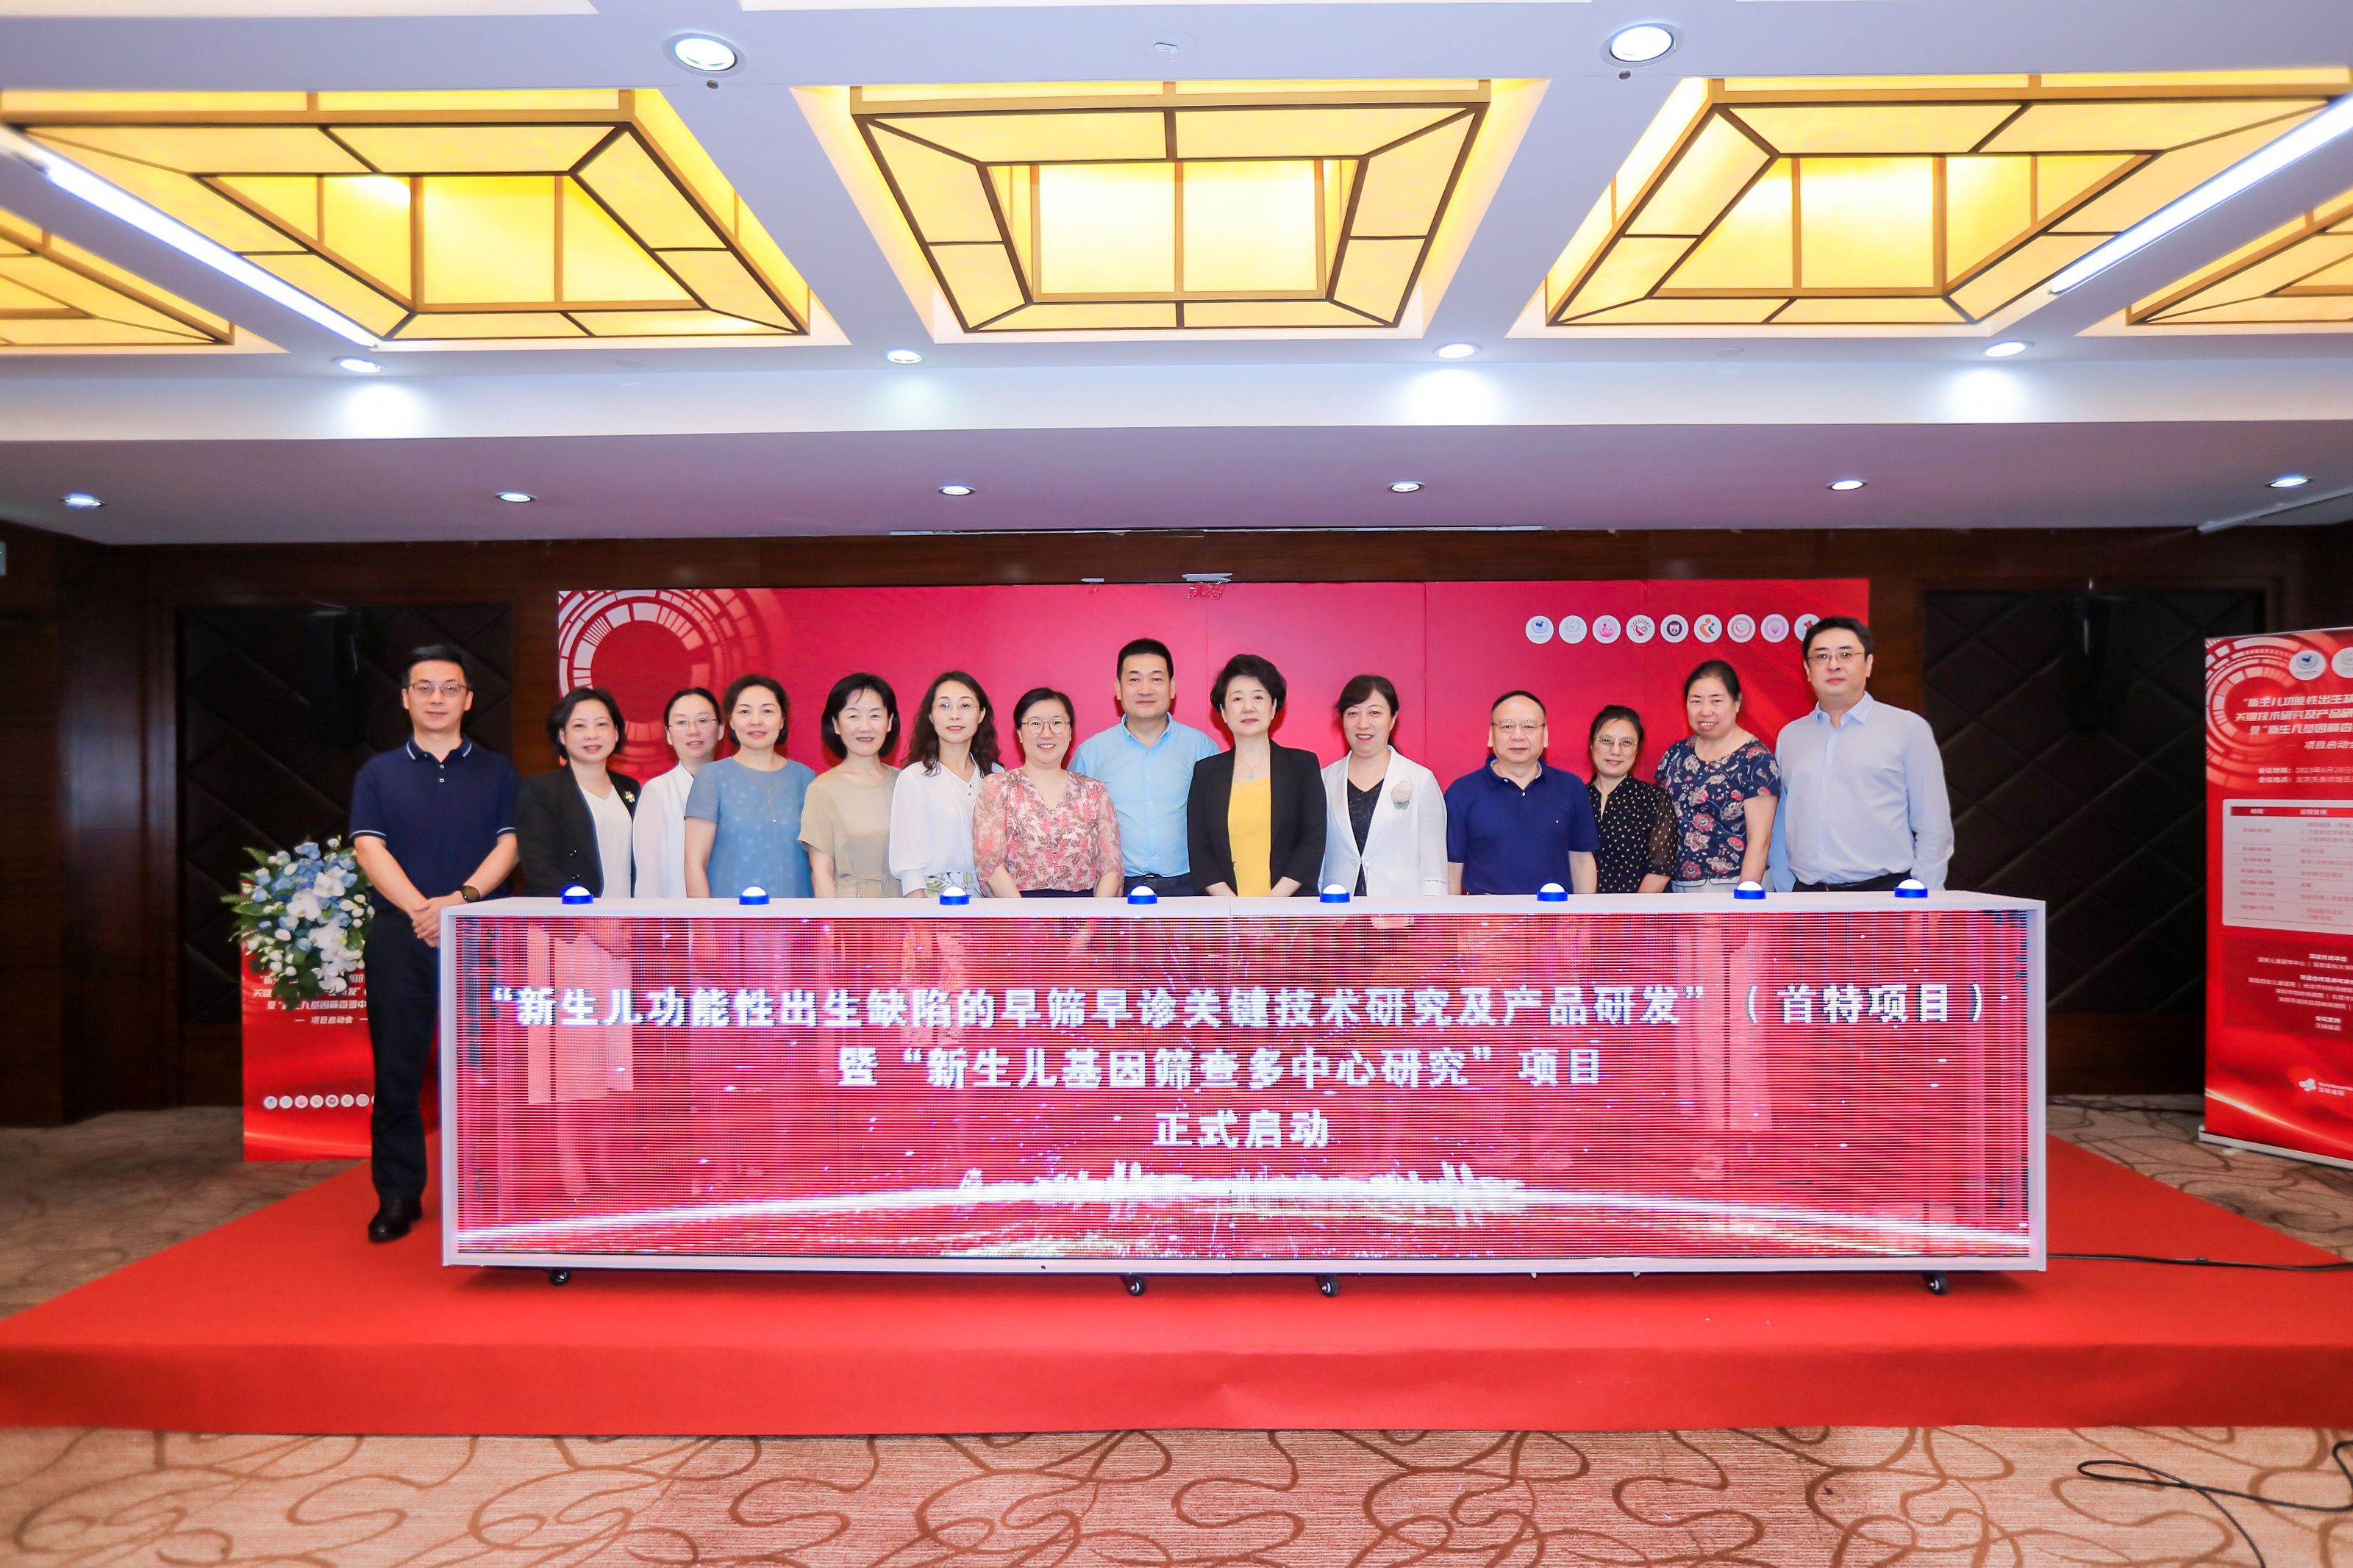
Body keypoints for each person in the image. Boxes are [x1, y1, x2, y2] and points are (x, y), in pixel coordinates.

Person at [348, 645, 518, 1244]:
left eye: (450, 688)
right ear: (405, 698)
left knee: (491, 1070)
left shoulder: (499, 771)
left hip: (482, 932)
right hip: (401, 933)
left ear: (469, 699)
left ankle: (492, 1187)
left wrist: (459, 902)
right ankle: (398, 1193)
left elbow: (509, 846)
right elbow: (369, 849)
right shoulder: (378, 772)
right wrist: (423, 910)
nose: (437, 698)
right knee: (397, 1069)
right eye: (425, 687)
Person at [1776, 615, 1954, 891]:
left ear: (1868, 664)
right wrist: (1786, 890)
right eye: (1821, 656)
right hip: (1807, 896)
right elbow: (1781, 822)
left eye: (1846, 654)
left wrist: (1922, 896)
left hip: (1886, 893)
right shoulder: (1791, 736)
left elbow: (1934, 826)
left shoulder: (1907, 728)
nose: (1833, 665)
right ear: (1808, 670)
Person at [1071, 637, 1221, 897]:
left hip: (1190, 888)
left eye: (1156, 679)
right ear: (1118, 688)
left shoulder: (1201, 748)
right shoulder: (1091, 753)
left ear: (1172, 687)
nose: (1145, 690)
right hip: (1116, 891)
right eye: (1134, 679)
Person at [1186, 654, 1326, 898]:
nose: (1248, 707)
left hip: (1289, 909)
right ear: (1224, 712)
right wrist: (1234, 908)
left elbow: (1312, 842)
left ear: (1273, 707)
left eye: (1258, 697)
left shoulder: (1303, 766)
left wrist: (1271, 905)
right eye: (1237, 698)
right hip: (1224, 910)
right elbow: (1200, 851)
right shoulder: (1206, 772)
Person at [1444, 690, 1598, 895]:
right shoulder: (1461, 792)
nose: (1518, 736)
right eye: (1507, 726)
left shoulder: (1571, 787)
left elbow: (1581, 860)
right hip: (1486, 913)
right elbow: (1452, 867)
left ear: (1545, 736)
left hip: (1555, 911)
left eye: (1529, 726)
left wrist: (1584, 914)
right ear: (1491, 735)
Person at [975, 687, 1123, 898]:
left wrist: (1094, 918)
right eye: (1035, 724)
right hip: (1016, 910)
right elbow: (990, 863)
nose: (1047, 733)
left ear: (1070, 732)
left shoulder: (1095, 792)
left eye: (1057, 723)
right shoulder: (998, 788)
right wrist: (1025, 917)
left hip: (1085, 912)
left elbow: (1111, 866)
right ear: (1019, 733)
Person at [684, 674, 815, 900]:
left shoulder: (806, 778)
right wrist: (705, 920)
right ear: (731, 721)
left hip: (797, 916)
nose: (756, 720)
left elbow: (819, 865)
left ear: (782, 720)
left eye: (767, 711)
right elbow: (694, 864)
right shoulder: (712, 777)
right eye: (745, 711)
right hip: (729, 918)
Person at [1654, 660, 1779, 892]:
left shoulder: (1756, 759)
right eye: (1696, 701)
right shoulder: (1676, 754)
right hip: (1677, 887)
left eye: (1716, 701)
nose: (1705, 711)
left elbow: (1760, 841)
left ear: (1737, 702)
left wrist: (1745, 898)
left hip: (1733, 886)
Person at [1318, 673, 1447, 897]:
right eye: (1353, 713)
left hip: (1401, 911)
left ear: (1393, 718)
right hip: (1338, 909)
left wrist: (1428, 911)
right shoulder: (1324, 779)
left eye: (1374, 713)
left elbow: (1434, 871)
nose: (1363, 724)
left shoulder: (1421, 780)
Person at [515, 687, 639, 898]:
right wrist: (578, 904)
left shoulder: (630, 788)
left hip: (627, 911)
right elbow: (539, 866)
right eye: (580, 726)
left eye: (602, 724)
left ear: (617, 732)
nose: (592, 735)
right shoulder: (541, 789)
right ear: (562, 735)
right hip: (571, 912)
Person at [889, 670, 1002, 898]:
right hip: (937, 903)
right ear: (931, 716)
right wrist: (920, 918)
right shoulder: (914, 778)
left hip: (994, 898)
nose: (955, 715)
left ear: (981, 714)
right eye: (944, 706)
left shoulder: (996, 776)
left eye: (965, 705)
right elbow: (911, 870)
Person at [800, 673, 902, 898]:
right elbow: (822, 872)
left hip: (904, 913)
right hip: (850, 913)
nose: (865, 727)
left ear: (889, 722)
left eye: (875, 715)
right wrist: (833, 920)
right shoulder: (822, 789)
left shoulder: (905, 783)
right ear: (836, 724)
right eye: (853, 716)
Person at [630, 687, 720, 900]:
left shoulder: (735, 787)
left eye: (703, 720)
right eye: (682, 722)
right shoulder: (658, 791)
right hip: (680, 917)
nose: (693, 730)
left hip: (736, 913)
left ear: (722, 729)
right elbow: (649, 879)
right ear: (669, 735)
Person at [1586, 704, 1675, 894]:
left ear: (1637, 750)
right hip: (1580, 910)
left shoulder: (1654, 799)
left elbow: (1661, 869)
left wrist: (1632, 912)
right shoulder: (1575, 797)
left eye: (1626, 742)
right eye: (1606, 741)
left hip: (1639, 910)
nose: (1615, 751)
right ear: (1592, 744)